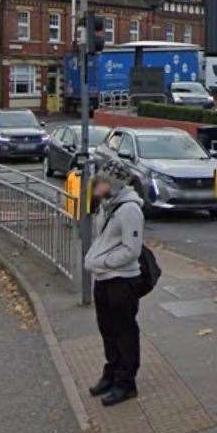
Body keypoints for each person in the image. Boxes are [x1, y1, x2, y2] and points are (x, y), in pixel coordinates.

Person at [84, 172, 145, 406]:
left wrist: (103, 262)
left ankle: (126, 383)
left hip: (122, 280)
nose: (94, 188)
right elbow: (103, 239)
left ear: (111, 184)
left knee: (124, 332)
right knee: (107, 330)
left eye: (97, 183)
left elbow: (132, 249)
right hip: (104, 279)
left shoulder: (129, 209)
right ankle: (111, 373)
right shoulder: (108, 206)